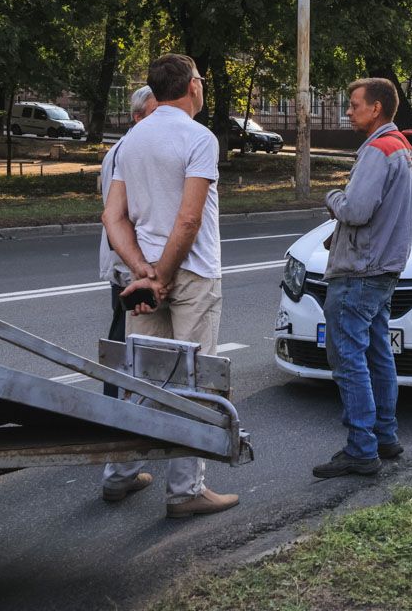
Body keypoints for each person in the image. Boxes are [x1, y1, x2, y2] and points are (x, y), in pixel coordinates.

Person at [100, 53, 238, 518]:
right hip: (193, 273)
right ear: (192, 86)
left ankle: (119, 474)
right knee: (195, 382)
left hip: (144, 278)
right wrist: (163, 273)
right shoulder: (199, 138)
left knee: (142, 377)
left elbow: (112, 216)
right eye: (202, 80)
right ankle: (185, 490)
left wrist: (144, 271)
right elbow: (189, 218)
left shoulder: (131, 141)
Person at [313, 77, 412, 479]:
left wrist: (332, 197)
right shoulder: (405, 149)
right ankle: (385, 435)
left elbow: (356, 211)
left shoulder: (378, 150)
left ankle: (361, 448)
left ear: (376, 108)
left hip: (359, 270)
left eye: (354, 104)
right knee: (378, 354)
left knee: (348, 359)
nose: (349, 111)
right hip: (385, 268)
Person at [99, 86, 157, 398]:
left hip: (131, 263)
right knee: (125, 342)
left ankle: (119, 403)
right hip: (128, 265)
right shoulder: (126, 151)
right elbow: (117, 215)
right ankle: (113, 407)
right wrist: (132, 266)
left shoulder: (135, 148)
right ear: (137, 117)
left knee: (130, 341)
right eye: (154, 113)